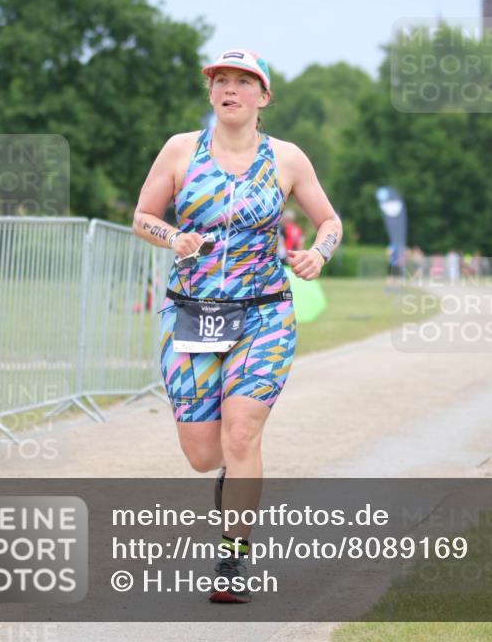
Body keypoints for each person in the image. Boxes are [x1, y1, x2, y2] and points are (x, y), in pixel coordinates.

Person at [132, 48, 342, 603]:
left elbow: (329, 221)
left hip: (263, 314)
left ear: (263, 96)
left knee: (242, 431)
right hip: (193, 313)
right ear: (210, 93)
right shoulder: (181, 151)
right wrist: (171, 237)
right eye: (220, 80)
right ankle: (229, 476)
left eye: (242, 82)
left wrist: (319, 254)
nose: (230, 89)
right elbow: (142, 217)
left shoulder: (287, 159)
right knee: (205, 454)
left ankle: (232, 559)